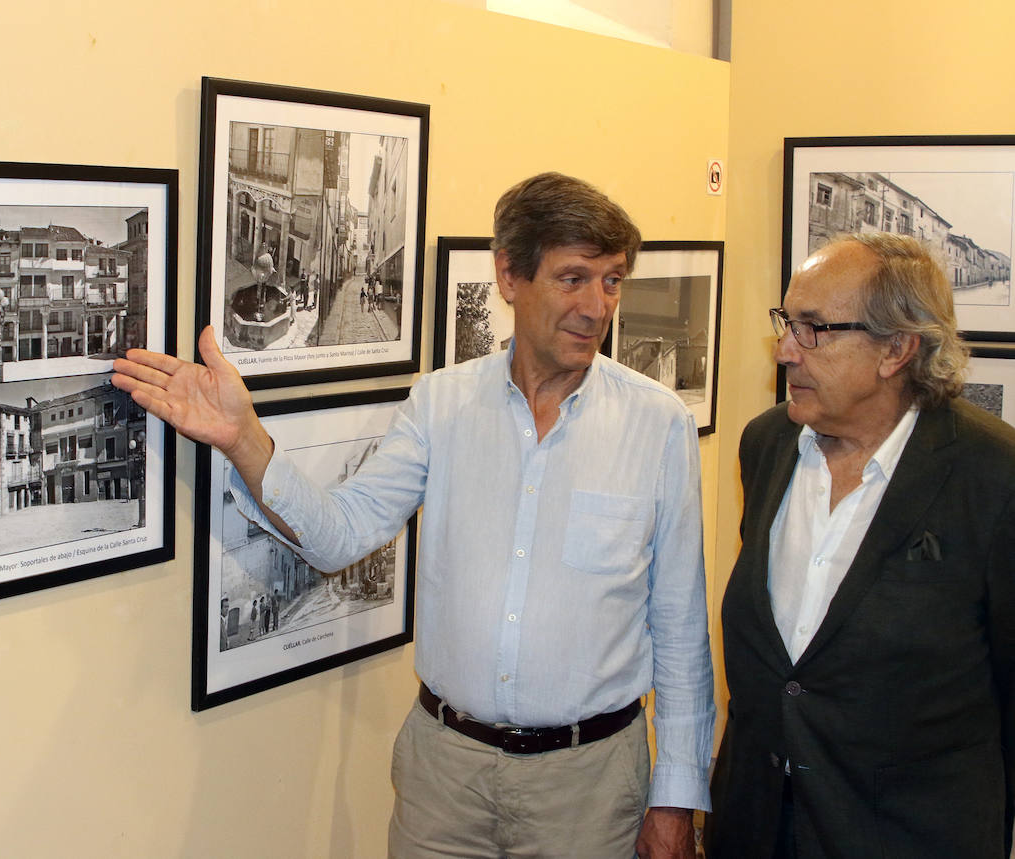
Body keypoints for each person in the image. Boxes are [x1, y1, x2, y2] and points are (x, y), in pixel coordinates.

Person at [115, 172, 713, 858]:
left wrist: (678, 796)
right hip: (444, 777)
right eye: (574, 278)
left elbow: (681, 631)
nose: (595, 305)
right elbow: (342, 533)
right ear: (510, 276)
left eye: (612, 280)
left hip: (591, 784)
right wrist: (242, 435)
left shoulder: (658, 424)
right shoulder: (441, 404)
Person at [704, 233, 1015, 858]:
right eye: (787, 323)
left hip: (908, 836)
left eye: (814, 329)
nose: (786, 350)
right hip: (756, 826)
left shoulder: (992, 475)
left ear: (896, 349)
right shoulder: (766, 445)